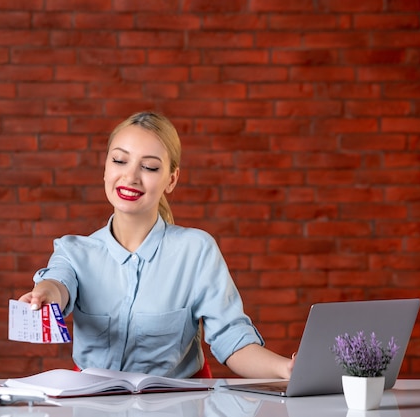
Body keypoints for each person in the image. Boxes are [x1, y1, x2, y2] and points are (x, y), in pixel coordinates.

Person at [19, 111, 294, 379]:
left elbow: (232, 339)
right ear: (105, 168)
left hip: (178, 406)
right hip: (94, 404)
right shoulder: (74, 252)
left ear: (171, 180)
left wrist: (286, 369)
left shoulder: (196, 250)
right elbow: (57, 283)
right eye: (119, 161)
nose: (131, 177)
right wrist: (44, 295)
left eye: (149, 167)